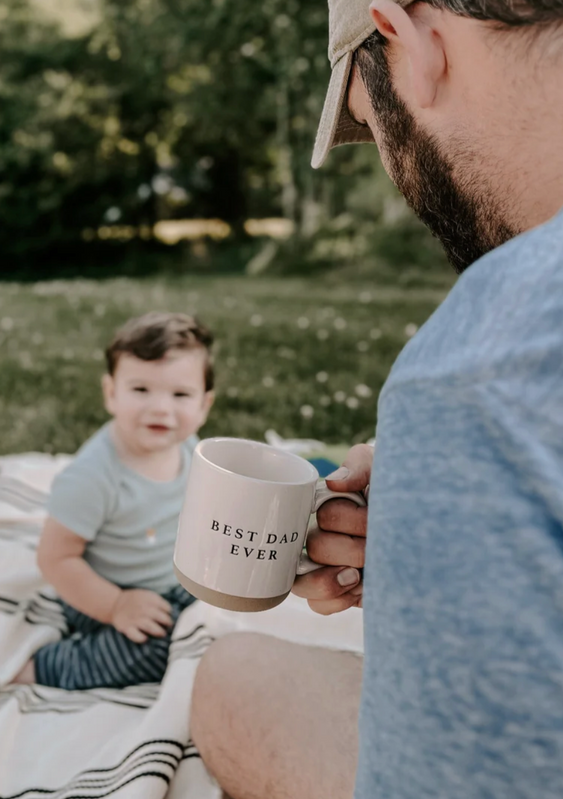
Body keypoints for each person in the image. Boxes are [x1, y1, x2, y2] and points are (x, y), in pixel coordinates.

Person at [190, 2, 563, 798]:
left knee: (235, 677)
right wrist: (469, 533)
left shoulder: (480, 373)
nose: (397, 173)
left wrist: (471, 461)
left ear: (410, 39)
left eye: (371, 119)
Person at [12, 311, 215, 690]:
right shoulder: (94, 476)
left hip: (170, 580)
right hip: (100, 593)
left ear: (204, 405)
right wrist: (116, 606)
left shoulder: (190, 451)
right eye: (141, 390)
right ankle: (49, 667)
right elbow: (55, 557)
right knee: (157, 650)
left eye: (180, 395)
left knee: (222, 615)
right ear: (111, 394)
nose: (160, 408)